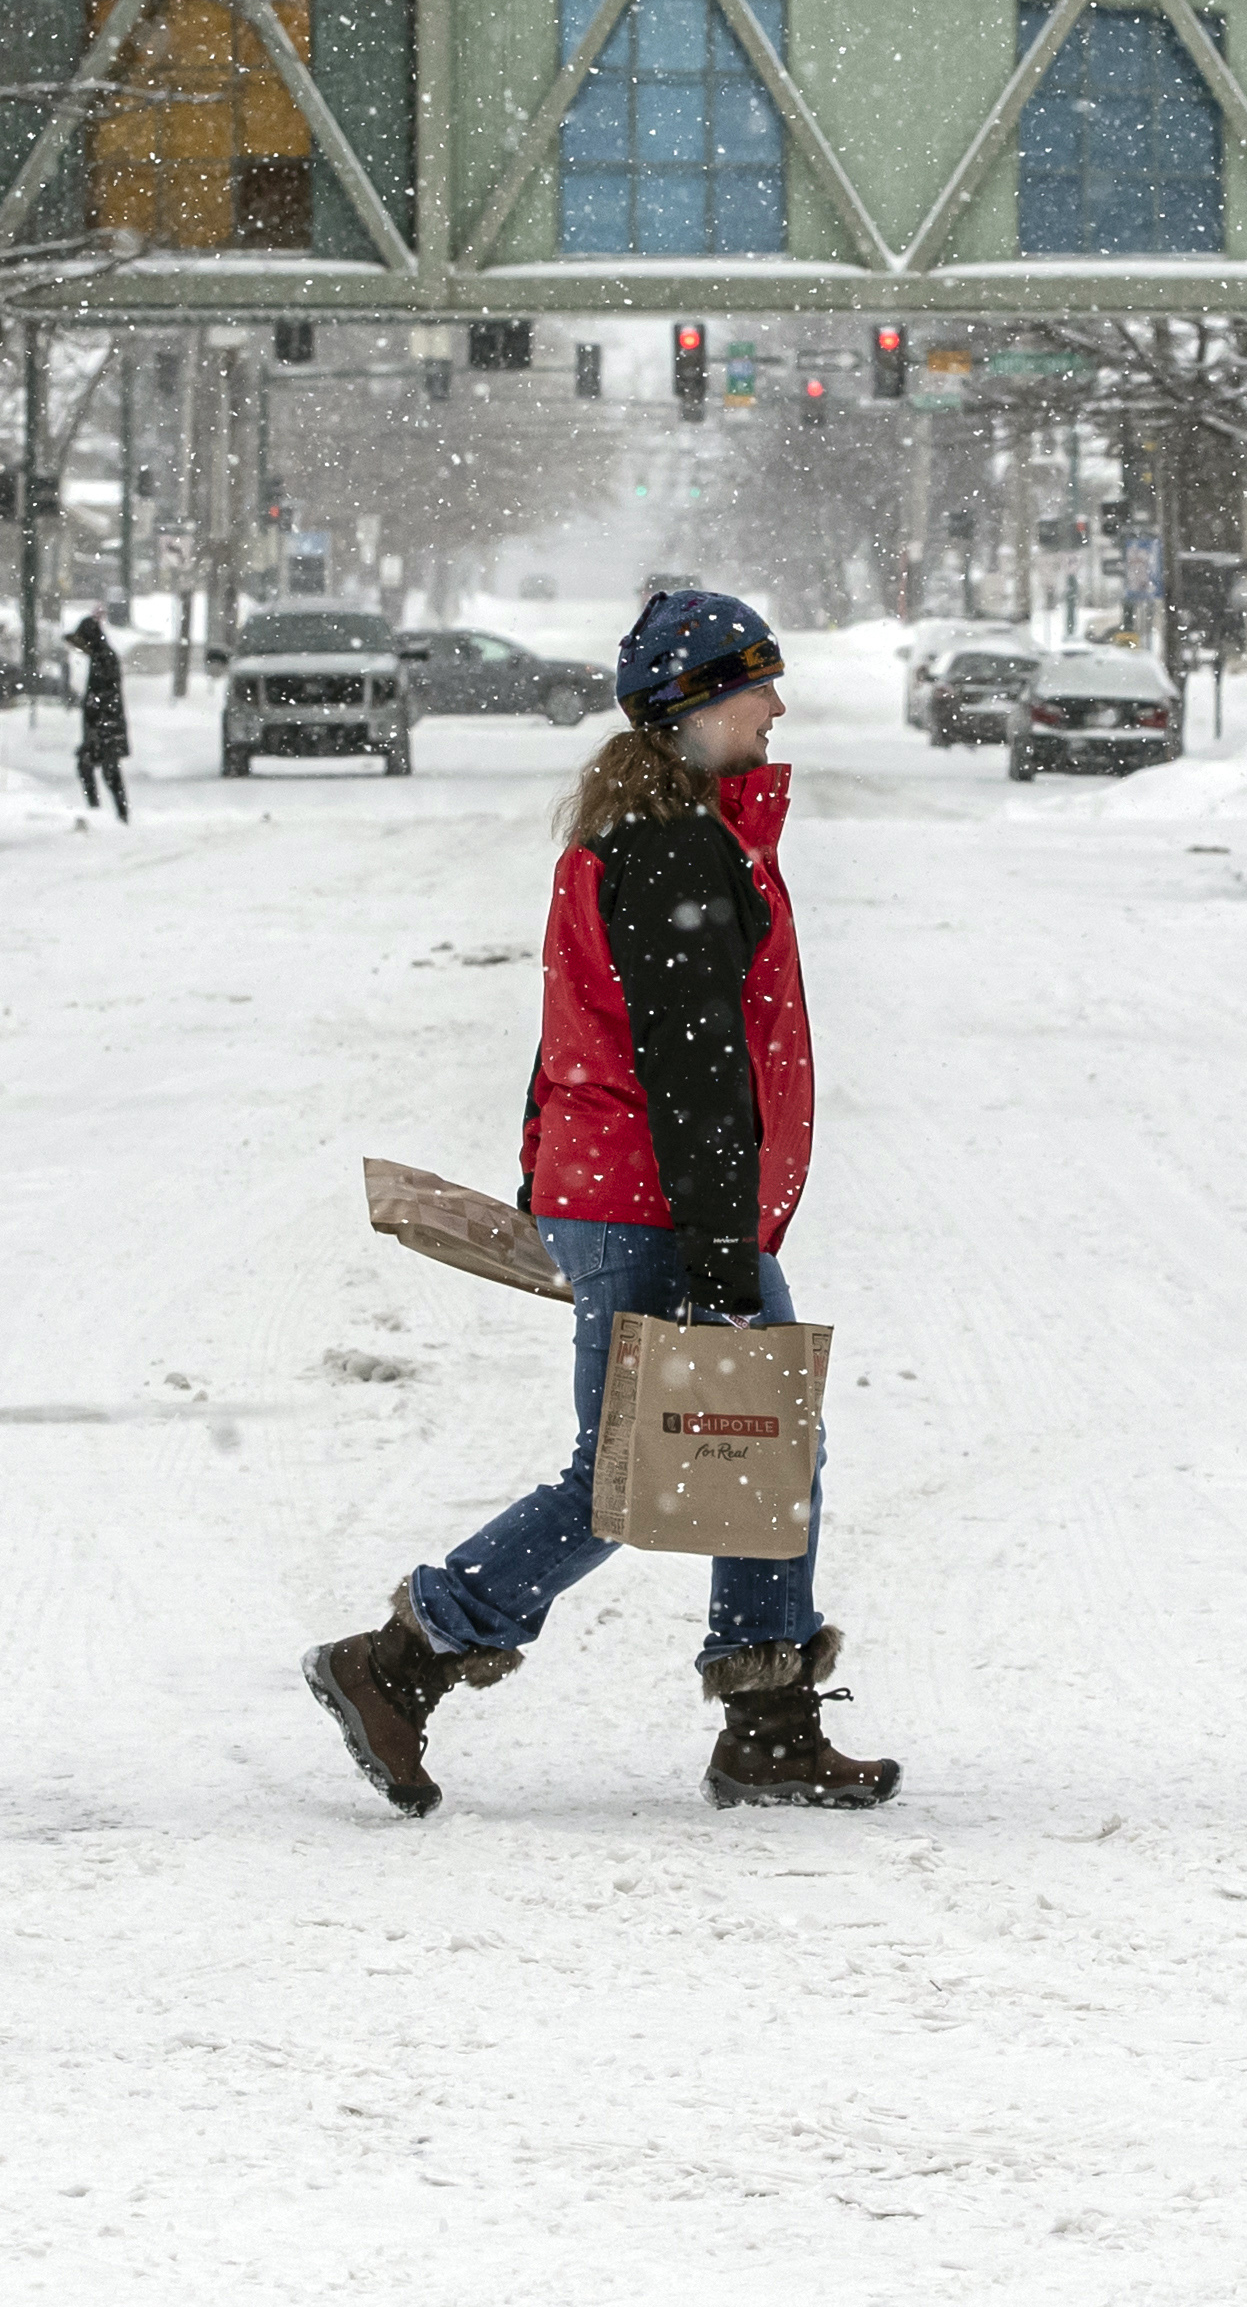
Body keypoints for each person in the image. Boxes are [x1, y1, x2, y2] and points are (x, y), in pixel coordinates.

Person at [303, 588, 897, 1817]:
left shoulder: (645, 835)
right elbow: (693, 1075)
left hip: (631, 1200)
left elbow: (576, 1041)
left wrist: (550, 1177)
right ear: (692, 708)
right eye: (754, 688)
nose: (776, 707)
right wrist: (716, 1250)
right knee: (638, 1466)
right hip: (662, 1208)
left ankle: (768, 1718)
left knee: (743, 1441)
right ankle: (404, 1654)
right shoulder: (674, 851)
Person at [67, 608, 132, 821]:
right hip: (102, 726)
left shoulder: (105, 658)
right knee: (97, 767)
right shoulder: (100, 657)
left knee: (106, 770)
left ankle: (110, 811)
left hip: (105, 726)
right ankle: (110, 811)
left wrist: (95, 713)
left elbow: (105, 694)